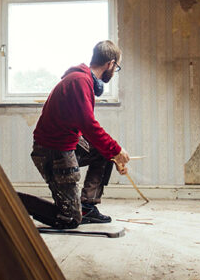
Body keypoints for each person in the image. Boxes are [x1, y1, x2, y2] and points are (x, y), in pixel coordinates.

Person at [21, 40, 130, 229]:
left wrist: (113, 154)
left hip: (63, 144)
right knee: (70, 219)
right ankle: (18, 202)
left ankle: (88, 206)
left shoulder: (82, 80)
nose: (114, 71)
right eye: (116, 67)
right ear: (110, 64)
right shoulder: (80, 82)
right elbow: (87, 124)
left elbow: (84, 128)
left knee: (105, 152)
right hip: (52, 151)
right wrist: (117, 149)